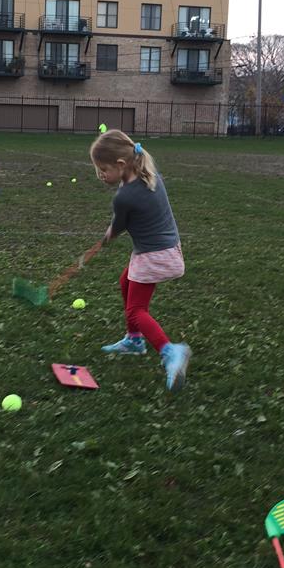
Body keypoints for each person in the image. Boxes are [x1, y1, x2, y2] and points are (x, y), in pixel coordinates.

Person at [90, 129, 191, 391]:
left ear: (120, 164)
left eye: (103, 169)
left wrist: (108, 235)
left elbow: (118, 226)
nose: (100, 175)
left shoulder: (124, 197)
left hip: (153, 256)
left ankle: (170, 351)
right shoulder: (149, 175)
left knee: (136, 310)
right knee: (125, 281)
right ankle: (134, 340)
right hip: (167, 250)